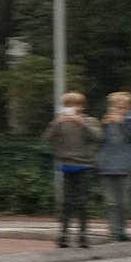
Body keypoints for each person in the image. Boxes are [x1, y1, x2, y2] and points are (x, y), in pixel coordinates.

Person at [46, 91, 102, 248]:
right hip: (66, 165)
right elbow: (47, 137)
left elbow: (97, 137)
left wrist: (81, 123)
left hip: (84, 165)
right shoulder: (61, 123)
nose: (73, 108)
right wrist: (56, 123)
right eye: (69, 105)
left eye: (76, 105)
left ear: (82, 106)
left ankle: (83, 235)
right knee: (65, 203)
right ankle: (63, 235)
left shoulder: (90, 121)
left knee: (82, 203)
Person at [97, 91, 131, 241]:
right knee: (111, 202)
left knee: (124, 202)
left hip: (125, 166)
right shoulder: (107, 122)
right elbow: (97, 140)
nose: (117, 110)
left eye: (121, 107)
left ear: (128, 107)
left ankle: (122, 230)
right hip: (107, 166)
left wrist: (122, 123)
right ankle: (114, 232)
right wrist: (102, 127)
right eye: (115, 107)